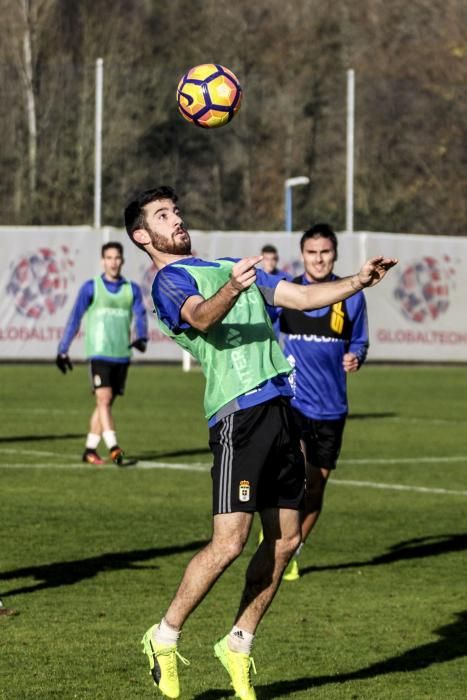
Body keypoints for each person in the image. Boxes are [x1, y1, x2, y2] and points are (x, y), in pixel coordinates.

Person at [124, 185, 397, 700]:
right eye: (163, 215)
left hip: (281, 410)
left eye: (177, 210)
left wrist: (358, 281)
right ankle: (163, 636)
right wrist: (232, 287)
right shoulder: (168, 281)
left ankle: (239, 643)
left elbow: (300, 296)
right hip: (238, 417)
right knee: (228, 542)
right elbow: (202, 318)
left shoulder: (227, 263)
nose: (176, 218)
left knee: (286, 540)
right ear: (143, 236)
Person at [279, 223, 369, 581]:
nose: (318, 259)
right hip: (294, 402)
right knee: (297, 478)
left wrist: (356, 356)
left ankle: (292, 548)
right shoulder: (287, 291)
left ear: (334, 255)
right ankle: (280, 532)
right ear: (302, 255)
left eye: (325, 252)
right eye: (312, 252)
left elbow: (360, 341)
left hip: (332, 408)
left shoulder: (351, 295)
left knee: (316, 486)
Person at [56, 242, 148, 465]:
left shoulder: (131, 289)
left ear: (122, 261)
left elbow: (141, 315)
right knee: (104, 399)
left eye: (117, 258)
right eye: (109, 258)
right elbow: (75, 318)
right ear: (102, 261)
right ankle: (114, 448)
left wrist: (142, 337)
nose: (113, 262)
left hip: (122, 355)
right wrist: (63, 349)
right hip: (99, 353)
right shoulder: (91, 287)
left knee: (104, 404)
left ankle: (89, 450)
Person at [259, 245, 291, 337]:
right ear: (261, 260)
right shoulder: (255, 277)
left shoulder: (286, 278)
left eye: (273, 259)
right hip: (260, 319)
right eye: (267, 259)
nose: (270, 262)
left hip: (278, 321)